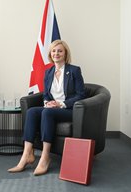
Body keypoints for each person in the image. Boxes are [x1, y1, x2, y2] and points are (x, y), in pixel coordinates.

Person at [8, 39, 86, 176]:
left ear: (65, 53)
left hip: (68, 110)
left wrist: (60, 104)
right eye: (54, 51)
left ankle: (45, 157)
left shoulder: (74, 70)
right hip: (52, 108)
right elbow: (46, 94)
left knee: (47, 114)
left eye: (60, 51)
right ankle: (27, 154)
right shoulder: (48, 72)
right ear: (51, 53)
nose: (56, 53)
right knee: (32, 112)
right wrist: (47, 103)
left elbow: (81, 95)